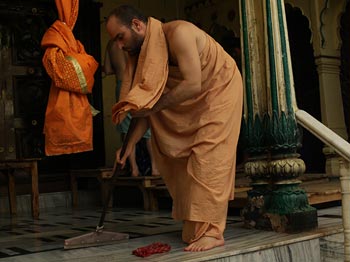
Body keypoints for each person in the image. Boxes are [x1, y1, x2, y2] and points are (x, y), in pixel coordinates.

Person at [106, 4, 243, 252]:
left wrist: (154, 107)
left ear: (137, 25)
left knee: (208, 154)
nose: (119, 45)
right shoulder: (141, 55)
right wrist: (127, 147)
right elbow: (144, 109)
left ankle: (213, 232)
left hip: (220, 88)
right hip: (192, 98)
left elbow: (192, 84)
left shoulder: (179, 33)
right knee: (190, 226)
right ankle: (200, 223)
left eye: (120, 37)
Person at [103, 39, 160, 177]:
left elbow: (107, 69)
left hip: (121, 87)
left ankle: (134, 169)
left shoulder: (110, 44)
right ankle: (155, 168)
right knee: (147, 130)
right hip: (136, 84)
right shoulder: (132, 40)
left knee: (127, 130)